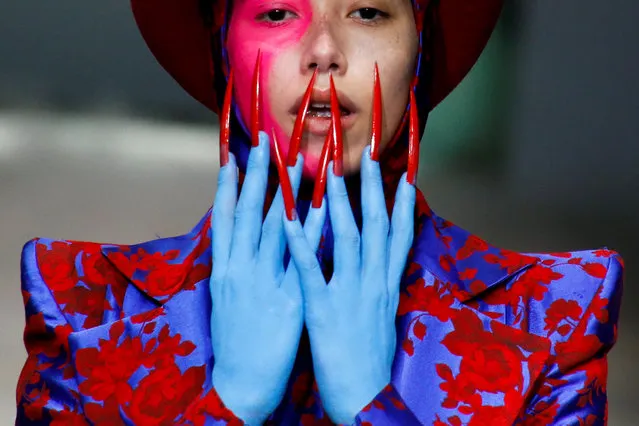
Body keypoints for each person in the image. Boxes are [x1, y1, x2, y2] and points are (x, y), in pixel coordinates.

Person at [15, 0, 623, 425]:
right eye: (277, 13)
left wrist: (369, 403)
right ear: (222, 47)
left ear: (420, 53)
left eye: (368, 12)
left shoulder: (550, 319)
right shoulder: (83, 310)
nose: (325, 51)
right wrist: (230, 402)